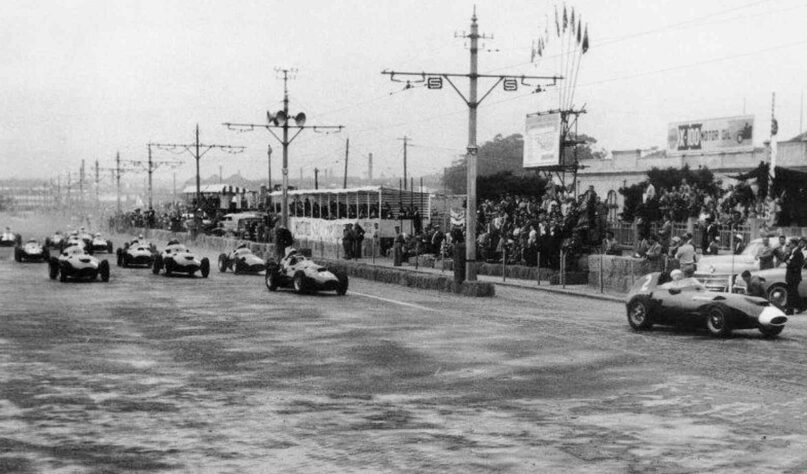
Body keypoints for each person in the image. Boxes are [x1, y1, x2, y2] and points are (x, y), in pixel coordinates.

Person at [784, 238, 805, 314]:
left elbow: (798, 265)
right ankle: (801, 306)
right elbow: (785, 259)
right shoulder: (792, 252)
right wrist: (787, 256)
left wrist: (790, 263)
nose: (789, 245)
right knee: (793, 293)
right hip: (790, 276)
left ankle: (790, 310)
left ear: (794, 244)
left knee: (792, 293)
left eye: (791, 244)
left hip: (794, 276)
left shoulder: (798, 253)